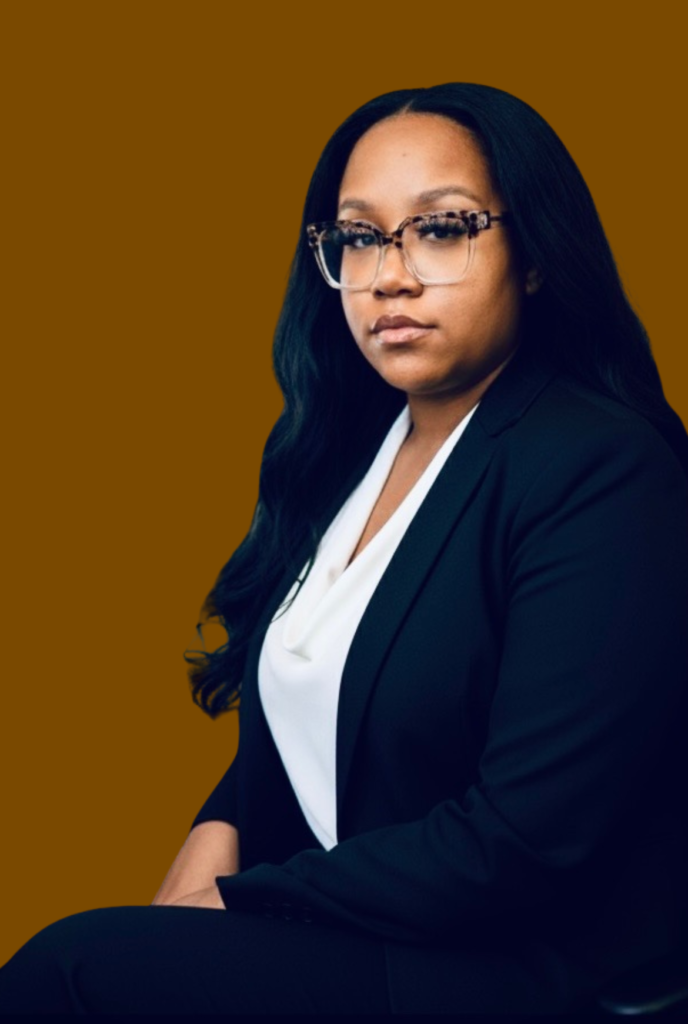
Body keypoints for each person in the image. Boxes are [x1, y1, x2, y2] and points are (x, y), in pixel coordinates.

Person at [1, 82, 687, 1016]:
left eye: (440, 229)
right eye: (359, 237)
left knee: (69, 972)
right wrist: (220, 826)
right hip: (367, 929)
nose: (388, 276)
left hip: (522, 968)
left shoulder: (601, 470)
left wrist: (242, 901)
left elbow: (528, 839)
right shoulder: (352, 453)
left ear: (532, 255)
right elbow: (324, 703)